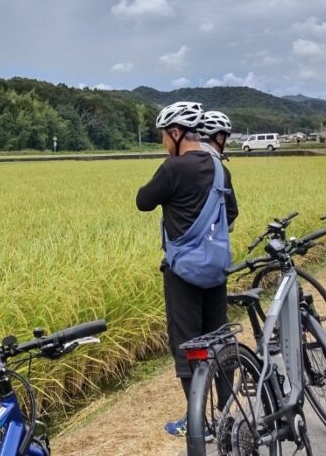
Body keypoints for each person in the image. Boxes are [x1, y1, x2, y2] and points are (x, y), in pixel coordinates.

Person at [136, 101, 239, 438]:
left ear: (177, 133)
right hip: (217, 267)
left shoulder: (173, 168)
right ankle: (224, 416)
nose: (164, 142)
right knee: (220, 339)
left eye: (164, 136)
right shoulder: (219, 166)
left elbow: (143, 201)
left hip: (183, 272)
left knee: (187, 345)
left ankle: (200, 422)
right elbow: (232, 212)